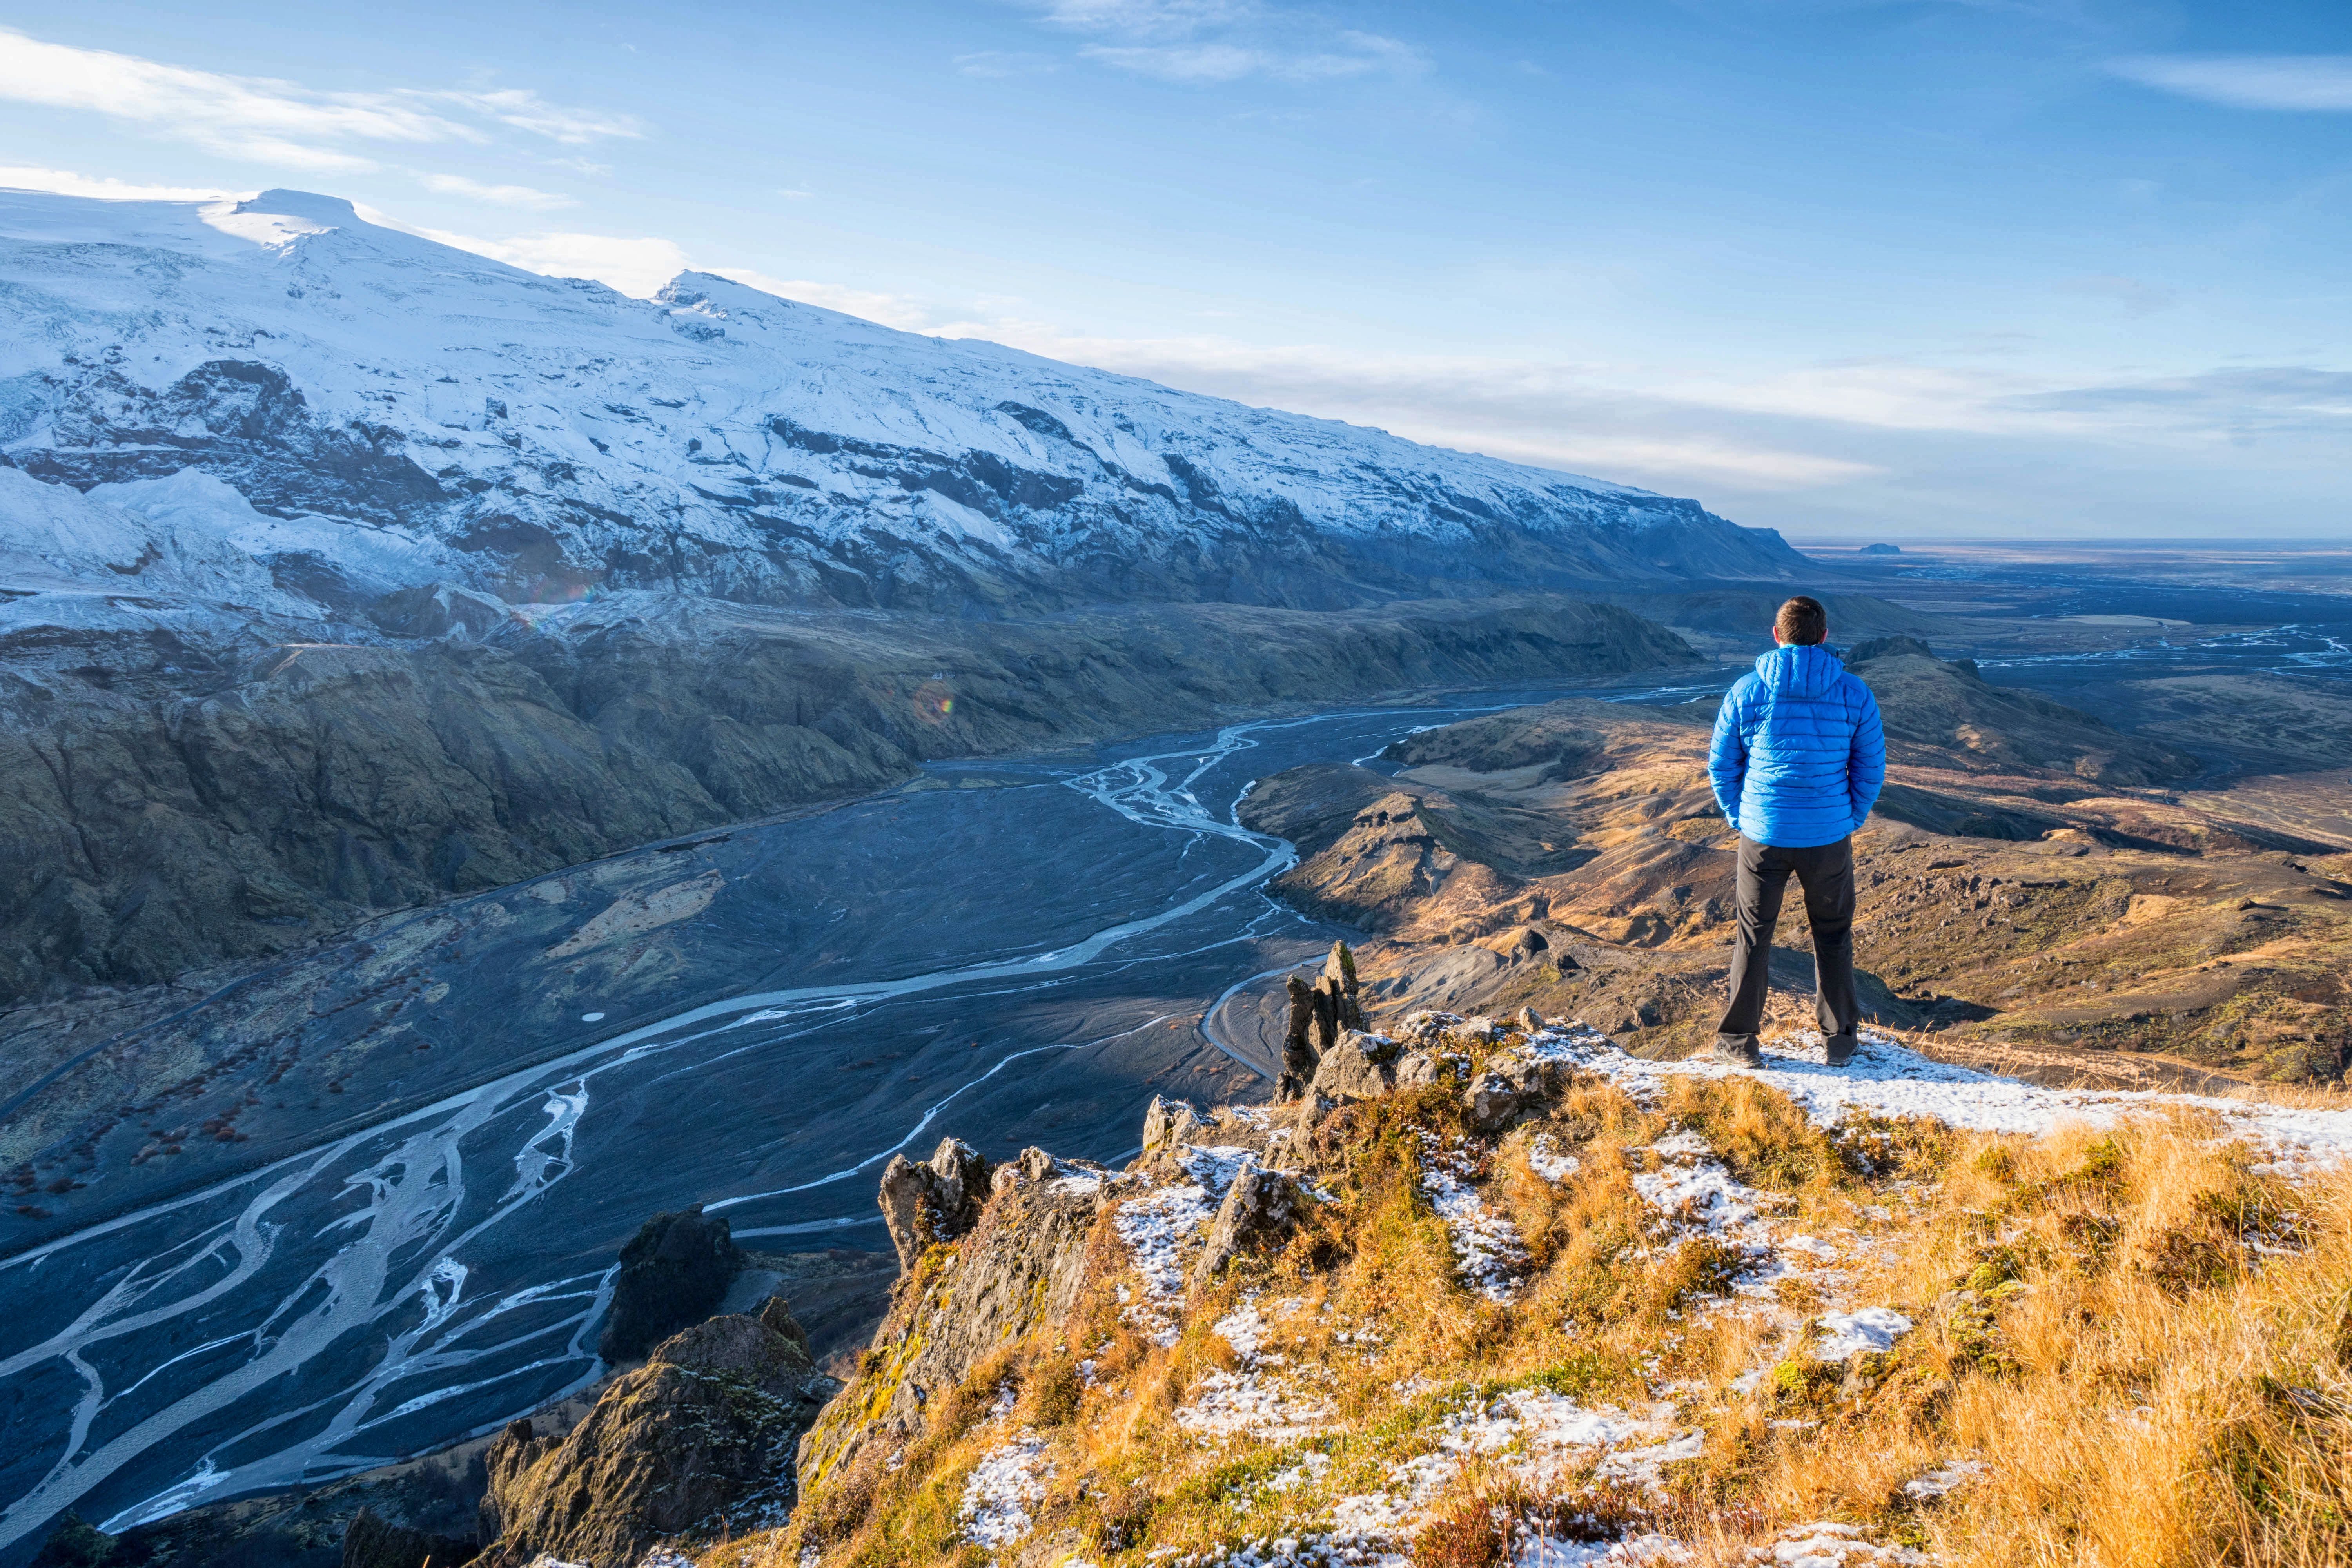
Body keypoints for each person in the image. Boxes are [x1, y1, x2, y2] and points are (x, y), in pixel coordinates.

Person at [1706, 595, 1886, 1067]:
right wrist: (1849, 818)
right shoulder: (1854, 693)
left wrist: (1740, 816)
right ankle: (1840, 1040)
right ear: (1824, 637)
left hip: (1763, 835)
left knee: (1753, 934)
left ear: (1777, 635)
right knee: (1832, 934)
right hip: (1828, 836)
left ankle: (1738, 1042)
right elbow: (1870, 769)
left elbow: (1722, 765)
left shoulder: (1747, 691)